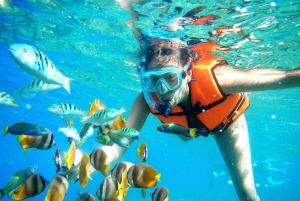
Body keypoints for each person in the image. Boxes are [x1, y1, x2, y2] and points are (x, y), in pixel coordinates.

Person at [99, 1, 300, 200]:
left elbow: (284, 78)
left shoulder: (220, 80)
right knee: (185, 134)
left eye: (171, 78)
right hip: (186, 128)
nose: (162, 91)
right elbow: (119, 144)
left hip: (225, 126)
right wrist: (97, 158)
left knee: (246, 194)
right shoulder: (146, 99)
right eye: (152, 81)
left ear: (187, 74)